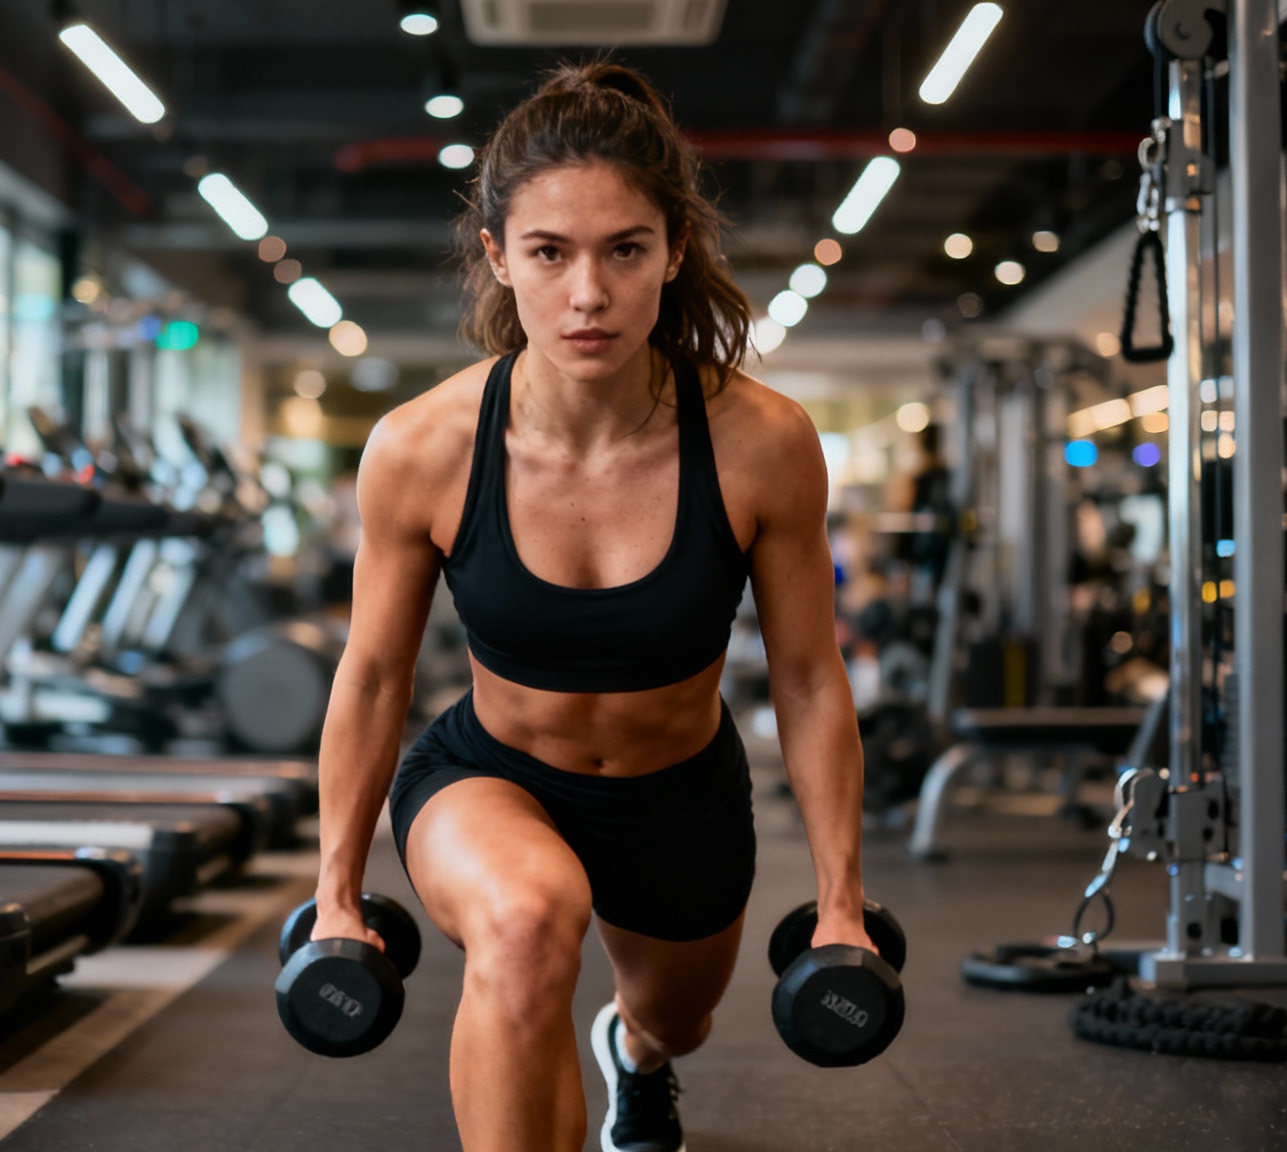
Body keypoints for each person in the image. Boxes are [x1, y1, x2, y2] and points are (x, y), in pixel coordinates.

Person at [310, 61, 871, 1152]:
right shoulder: (422, 448)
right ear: (496, 256)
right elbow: (372, 677)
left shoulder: (762, 442)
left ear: (674, 249)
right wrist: (336, 889)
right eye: (548, 252)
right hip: (493, 776)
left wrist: (840, 899)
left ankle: (638, 1053)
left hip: (681, 800)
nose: (587, 294)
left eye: (623, 250)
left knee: (678, 1020)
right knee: (524, 927)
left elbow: (809, 679)